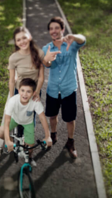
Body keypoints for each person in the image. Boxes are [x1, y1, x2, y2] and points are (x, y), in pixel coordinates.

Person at [42, 16, 86, 159]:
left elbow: (83, 39)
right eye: (51, 29)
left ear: (62, 29)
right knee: (52, 116)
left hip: (68, 89)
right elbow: (45, 64)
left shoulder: (72, 44)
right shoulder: (46, 48)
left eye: (56, 28)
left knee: (70, 119)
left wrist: (73, 36)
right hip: (53, 89)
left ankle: (70, 142)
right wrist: (47, 60)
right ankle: (53, 136)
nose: (53, 31)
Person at [0, 78, 52, 166]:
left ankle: (29, 157)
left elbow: (42, 118)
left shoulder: (35, 102)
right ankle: (11, 142)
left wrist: (47, 136)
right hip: (14, 119)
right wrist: (7, 140)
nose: (25, 94)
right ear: (18, 91)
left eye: (28, 91)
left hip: (28, 122)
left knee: (30, 148)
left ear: (34, 93)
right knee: (0, 132)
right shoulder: (13, 101)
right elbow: (7, 120)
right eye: (22, 90)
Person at [8, 27, 44, 101]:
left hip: (34, 92)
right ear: (16, 43)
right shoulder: (13, 58)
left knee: (31, 113)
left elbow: (41, 77)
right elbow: (11, 80)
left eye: (24, 38)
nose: (22, 42)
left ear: (30, 37)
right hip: (19, 92)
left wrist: (36, 93)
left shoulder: (40, 53)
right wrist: (11, 99)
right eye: (18, 40)